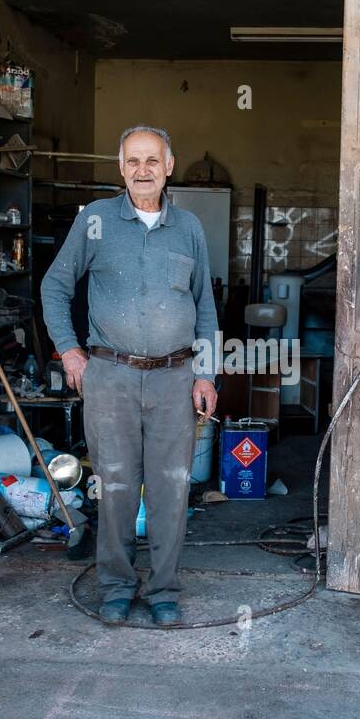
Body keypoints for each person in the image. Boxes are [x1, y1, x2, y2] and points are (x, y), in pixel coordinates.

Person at [40, 125, 219, 625]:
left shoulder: (189, 229)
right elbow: (55, 287)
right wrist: (70, 353)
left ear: (169, 166)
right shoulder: (95, 221)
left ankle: (164, 590)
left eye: (152, 161)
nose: (143, 170)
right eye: (133, 161)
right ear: (121, 169)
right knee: (116, 487)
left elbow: (205, 306)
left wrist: (206, 375)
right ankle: (116, 587)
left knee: (170, 488)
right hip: (110, 376)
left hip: (174, 378)